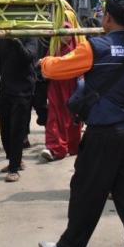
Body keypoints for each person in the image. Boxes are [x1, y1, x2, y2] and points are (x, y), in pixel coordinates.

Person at [38, 0, 124, 247]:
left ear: (107, 18)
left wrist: (44, 62)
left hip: (104, 134)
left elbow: (57, 69)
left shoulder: (96, 47)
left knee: (87, 193)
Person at [0, 37, 39, 181]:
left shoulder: (30, 38)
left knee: (17, 131)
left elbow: (28, 57)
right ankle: (13, 159)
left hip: (23, 92)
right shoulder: (2, 41)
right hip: (5, 91)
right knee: (5, 130)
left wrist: (16, 41)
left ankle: (14, 168)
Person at [41, 13, 84, 162]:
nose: (65, 36)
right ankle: (56, 148)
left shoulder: (78, 47)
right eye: (62, 32)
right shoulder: (55, 46)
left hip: (72, 86)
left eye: (68, 32)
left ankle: (72, 146)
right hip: (56, 86)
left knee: (72, 117)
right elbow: (47, 63)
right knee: (54, 116)